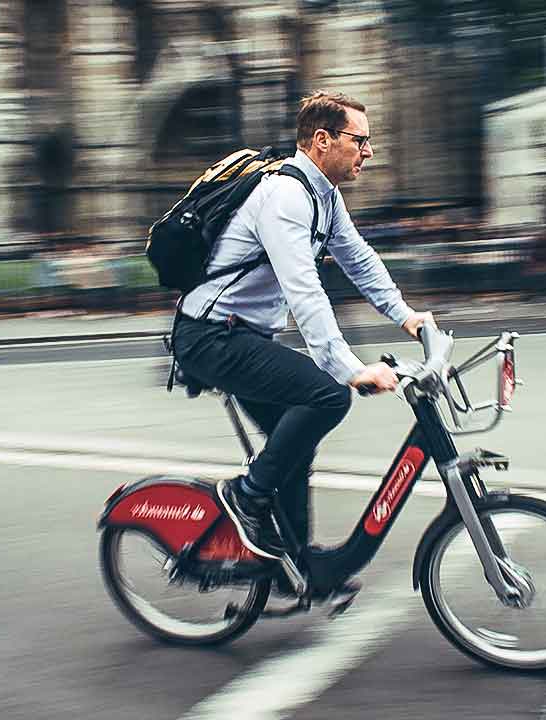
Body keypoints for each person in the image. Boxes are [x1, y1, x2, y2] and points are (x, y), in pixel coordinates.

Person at [171, 91, 433, 572]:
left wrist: (407, 316)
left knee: (293, 444)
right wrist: (350, 369)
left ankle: (296, 565)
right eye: (361, 140)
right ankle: (245, 497)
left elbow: (358, 260)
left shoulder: (323, 196)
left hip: (242, 338)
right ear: (321, 140)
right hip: (210, 337)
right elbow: (304, 292)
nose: (369, 152)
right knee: (329, 396)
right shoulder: (285, 196)